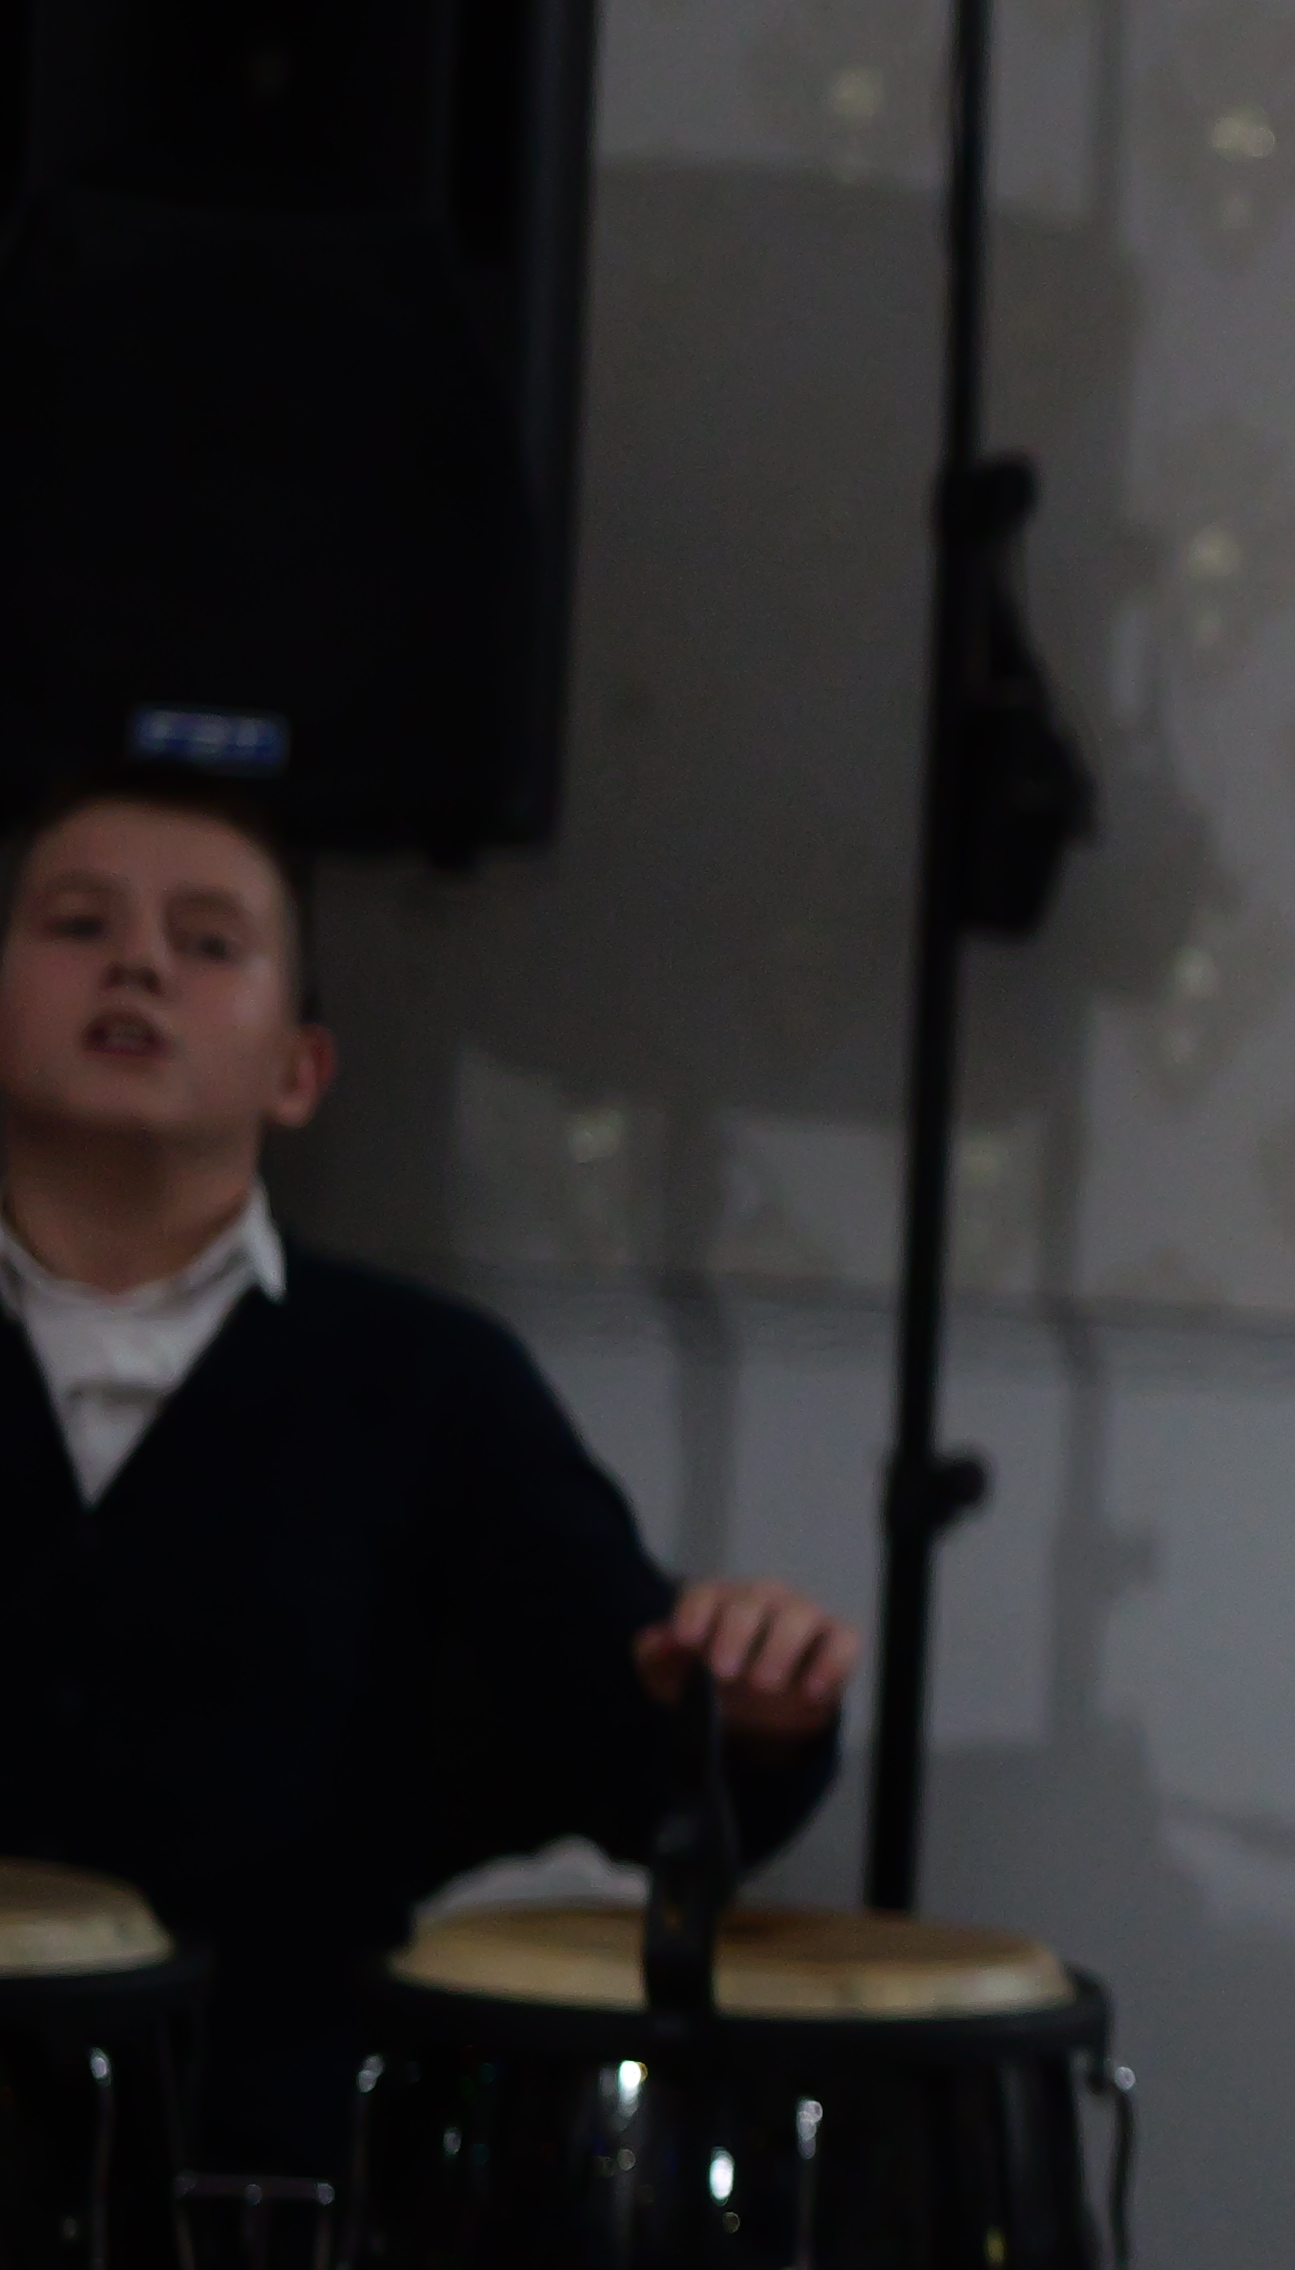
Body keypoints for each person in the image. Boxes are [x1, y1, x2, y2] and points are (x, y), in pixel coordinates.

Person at [0, 760, 854, 2177]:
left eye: (208, 941)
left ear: (299, 1068)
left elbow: (635, 1754)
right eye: (80, 924)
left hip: (282, 2199)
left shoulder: (432, 1385)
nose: (138, 962)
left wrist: (749, 1710)